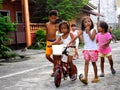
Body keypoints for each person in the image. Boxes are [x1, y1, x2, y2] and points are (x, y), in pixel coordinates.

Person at [69, 16, 100, 85]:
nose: (87, 23)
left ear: (91, 23)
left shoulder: (93, 30)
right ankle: (85, 78)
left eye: (89, 21)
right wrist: (69, 43)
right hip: (86, 50)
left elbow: (92, 38)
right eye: (85, 22)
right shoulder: (82, 31)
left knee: (93, 63)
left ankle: (96, 77)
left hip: (93, 50)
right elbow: (76, 37)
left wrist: (88, 32)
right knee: (86, 63)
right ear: (83, 24)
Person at [45, 10, 58, 76]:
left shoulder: (57, 25)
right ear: (49, 17)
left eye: (55, 18)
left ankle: (55, 71)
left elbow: (59, 34)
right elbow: (47, 33)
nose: (53, 20)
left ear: (57, 18)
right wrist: (46, 42)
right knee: (47, 56)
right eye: (52, 18)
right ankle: (55, 64)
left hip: (56, 42)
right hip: (49, 42)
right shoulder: (47, 24)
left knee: (55, 57)